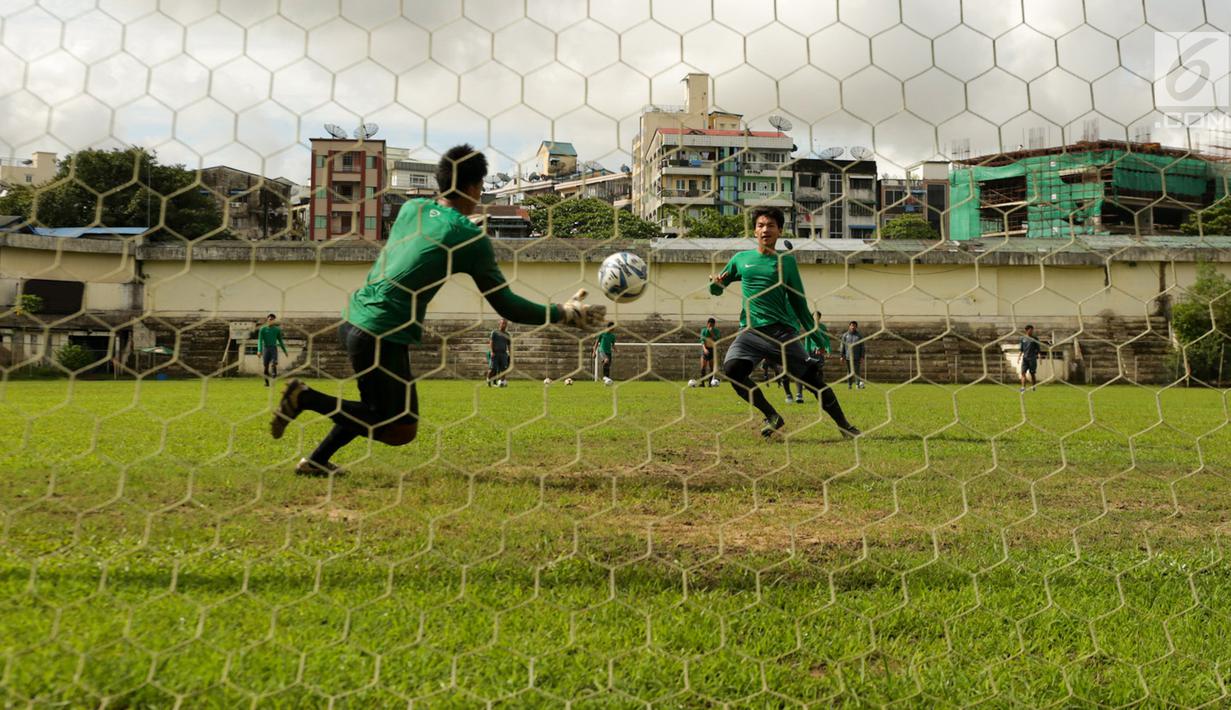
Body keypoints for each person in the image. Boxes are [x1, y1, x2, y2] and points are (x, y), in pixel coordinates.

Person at [269, 144, 605, 475]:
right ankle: (305, 398)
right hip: (382, 329)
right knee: (399, 430)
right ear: (475, 187)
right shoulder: (469, 239)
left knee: (376, 408)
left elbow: (428, 238)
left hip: (357, 319)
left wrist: (458, 227)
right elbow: (508, 306)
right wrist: (564, 312)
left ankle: (315, 460)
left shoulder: (410, 209)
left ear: (441, 181)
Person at [709, 206, 859, 440]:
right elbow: (717, 289)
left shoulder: (786, 263)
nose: (765, 229)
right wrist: (715, 285)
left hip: (781, 334)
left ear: (779, 230)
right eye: (760, 225)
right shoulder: (741, 259)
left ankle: (844, 425)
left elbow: (799, 303)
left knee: (812, 380)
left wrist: (815, 334)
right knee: (732, 371)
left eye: (770, 225)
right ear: (754, 230)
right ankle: (772, 416)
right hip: (749, 332)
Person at [788, 310, 832, 403]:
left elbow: (826, 339)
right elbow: (807, 341)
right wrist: (806, 353)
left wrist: (828, 349)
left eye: (817, 316)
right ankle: (799, 394)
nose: (816, 318)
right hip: (810, 353)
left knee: (819, 370)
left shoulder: (823, 327)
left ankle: (820, 389)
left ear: (820, 318)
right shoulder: (809, 327)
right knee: (803, 371)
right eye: (814, 316)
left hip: (820, 352)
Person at [257, 313, 288, 386]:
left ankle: (274, 376)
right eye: (270, 319)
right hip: (266, 349)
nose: (271, 321)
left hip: (273, 348)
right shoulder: (262, 329)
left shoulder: (277, 330)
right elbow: (260, 340)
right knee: (266, 367)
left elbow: (280, 341)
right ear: (267, 320)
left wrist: (285, 351)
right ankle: (267, 383)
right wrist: (259, 350)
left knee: (274, 363)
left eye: (273, 320)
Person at [840, 321, 865, 389]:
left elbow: (862, 346)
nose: (853, 327)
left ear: (856, 327)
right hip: (848, 357)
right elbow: (842, 346)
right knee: (849, 372)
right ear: (849, 326)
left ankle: (857, 385)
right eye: (852, 325)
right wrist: (842, 356)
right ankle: (849, 385)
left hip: (857, 357)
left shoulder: (859, 336)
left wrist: (862, 357)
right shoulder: (845, 335)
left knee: (857, 371)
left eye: (854, 326)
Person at [488, 318, 511, 387]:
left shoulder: (507, 334)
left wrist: (510, 354)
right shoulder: (494, 332)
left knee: (504, 369)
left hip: (503, 354)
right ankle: (488, 380)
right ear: (499, 324)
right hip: (495, 353)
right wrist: (492, 351)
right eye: (502, 323)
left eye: (505, 324)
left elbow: (509, 345)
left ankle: (501, 382)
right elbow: (491, 342)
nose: (504, 325)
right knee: (493, 369)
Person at [1019, 324, 1042, 392]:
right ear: (1027, 330)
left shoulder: (1035, 338)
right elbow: (1021, 349)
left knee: (1032, 373)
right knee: (1023, 373)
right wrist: (1019, 357)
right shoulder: (1022, 338)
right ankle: (1023, 388)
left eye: (1032, 330)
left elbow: (1038, 349)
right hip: (1025, 358)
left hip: (1032, 358)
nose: (1031, 331)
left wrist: (1039, 356)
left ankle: (1033, 387)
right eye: (1030, 330)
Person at [699, 317, 720, 386]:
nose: (710, 326)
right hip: (705, 349)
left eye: (712, 325)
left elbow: (717, 339)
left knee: (711, 367)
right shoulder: (704, 330)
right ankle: (702, 383)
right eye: (709, 325)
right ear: (707, 324)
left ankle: (710, 383)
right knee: (703, 367)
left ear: (714, 325)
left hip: (712, 350)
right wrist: (704, 349)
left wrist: (711, 333)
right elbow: (702, 341)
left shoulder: (716, 331)